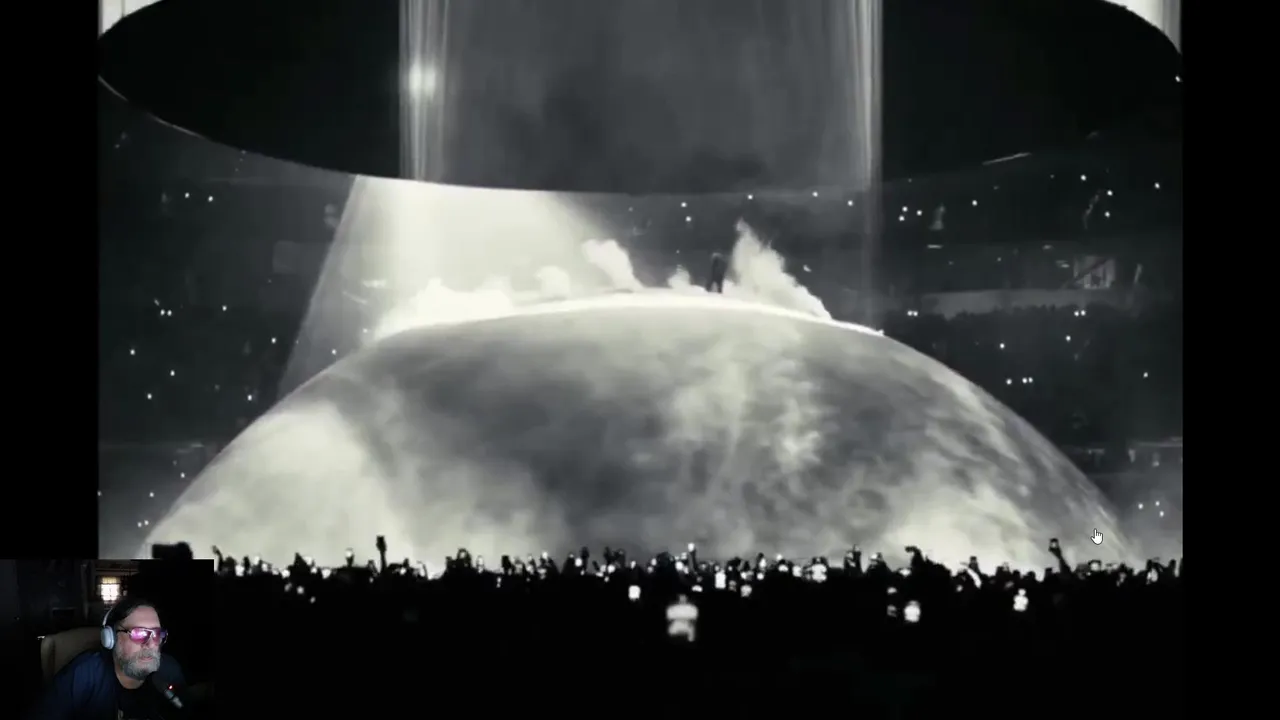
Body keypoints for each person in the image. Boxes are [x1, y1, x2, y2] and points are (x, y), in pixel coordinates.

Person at [30, 596, 187, 720]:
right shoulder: (83, 674)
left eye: (157, 634)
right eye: (139, 634)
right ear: (110, 638)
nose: (151, 644)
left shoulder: (170, 670)